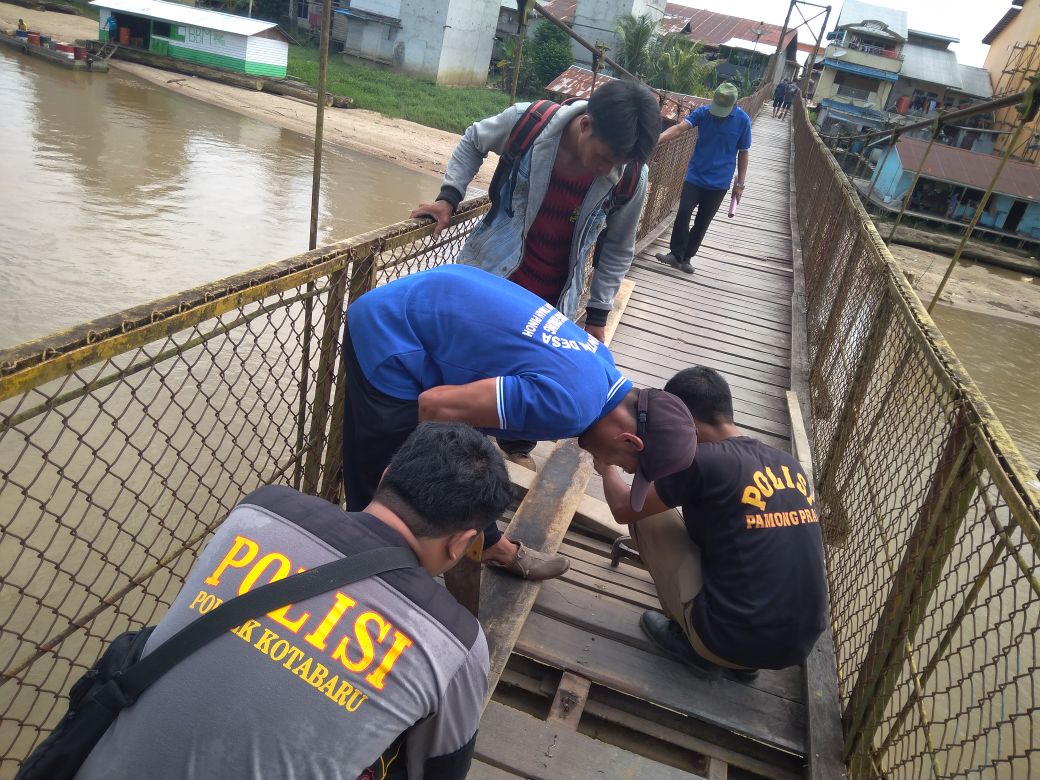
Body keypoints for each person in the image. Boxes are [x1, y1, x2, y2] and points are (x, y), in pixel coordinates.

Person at [76, 421, 513, 780]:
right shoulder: (456, 643)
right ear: (461, 544)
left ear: (385, 477)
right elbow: (440, 772)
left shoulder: (261, 510)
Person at [341, 264, 698, 582]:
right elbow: (434, 408)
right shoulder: (570, 408)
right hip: (393, 326)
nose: (608, 466)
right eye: (624, 465)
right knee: (382, 466)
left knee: (459, 452)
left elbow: (471, 424)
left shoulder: (602, 365)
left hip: (437, 300)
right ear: (630, 442)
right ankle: (360, 566)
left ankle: (492, 545)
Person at [410, 80, 661, 468]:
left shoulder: (630, 177)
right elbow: (474, 139)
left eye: (619, 164)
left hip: (552, 306)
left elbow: (618, 248)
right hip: (494, 281)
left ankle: (507, 451)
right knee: (464, 375)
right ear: (586, 125)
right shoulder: (528, 124)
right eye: (605, 158)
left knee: (525, 387)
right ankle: (439, 452)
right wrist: (449, 197)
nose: (608, 170)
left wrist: (597, 316)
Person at [596, 366, 828, 680]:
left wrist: (606, 464)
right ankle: (743, 664)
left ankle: (694, 645)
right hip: (796, 645)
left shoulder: (699, 460)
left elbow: (624, 509)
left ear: (684, 421)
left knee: (648, 515)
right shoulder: (788, 463)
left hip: (723, 640)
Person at [655, 83, 751, 274]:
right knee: (683, 213)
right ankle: (675, 254)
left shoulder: (743, 121)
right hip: (696, 175)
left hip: (720, 181)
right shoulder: (704, 112)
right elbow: (680, 128)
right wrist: (655, 139)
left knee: (703, 221)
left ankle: (687, 258)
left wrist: (740, 184)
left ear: (733, 105)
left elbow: (744, 152)